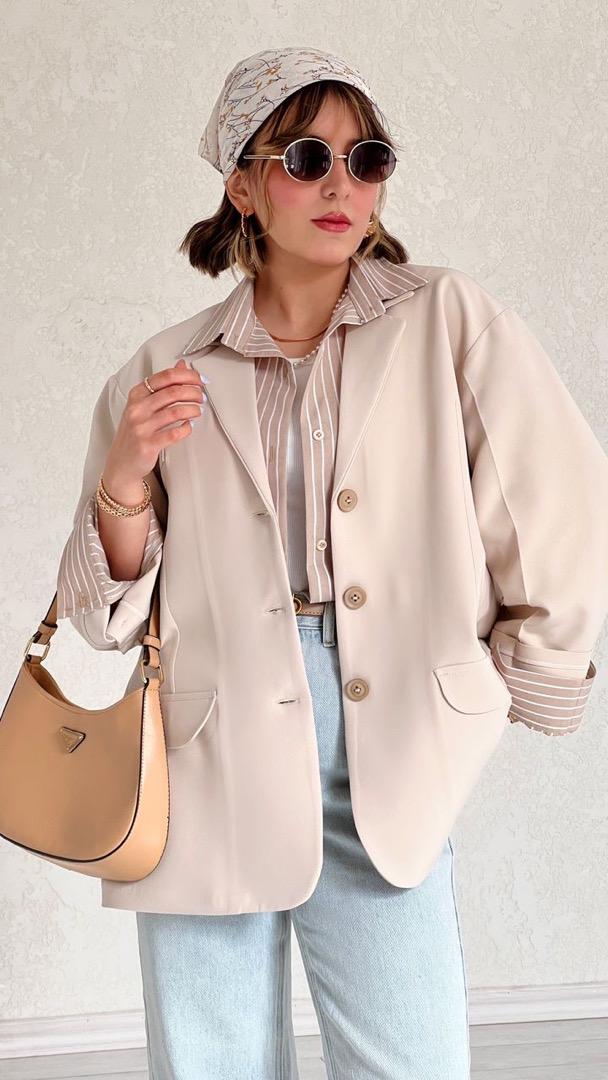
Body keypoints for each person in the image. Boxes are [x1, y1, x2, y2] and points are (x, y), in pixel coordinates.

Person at [55, 45, 608, 1080]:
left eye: (368, 159)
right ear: (242, 185)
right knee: (210, 1062)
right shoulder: (166, 368)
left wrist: (501, 681)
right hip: (208, 741)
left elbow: (557, 500)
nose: (341, 185)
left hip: (386, 734)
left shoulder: (446, 319)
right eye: (306, 158)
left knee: (411, 1059)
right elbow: (106, 615)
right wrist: (126, 476)